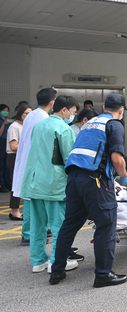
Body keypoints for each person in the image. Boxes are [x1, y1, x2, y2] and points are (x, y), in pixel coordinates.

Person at [50, 94, 127, 287]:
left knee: (69, 225)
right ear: (121, 111)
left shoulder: (89, 123)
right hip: (95, 181)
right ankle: (103, 275)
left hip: (74, 178)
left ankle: (57, 271)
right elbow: (117, 159)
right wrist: (124, 176)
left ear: (104, 107)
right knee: (106, 225)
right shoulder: (114, 124)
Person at [21, 96, 80, 273]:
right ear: (64, 110)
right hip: (54, 182)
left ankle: (38, 261)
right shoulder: (64, 128)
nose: (72, 116)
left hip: (34, 180)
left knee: (38, 225)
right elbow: (69, 159)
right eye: (73, 112)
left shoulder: (39, 125)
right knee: (58, 225)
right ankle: (56, 261)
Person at [13, 88, 57, 246]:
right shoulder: (44, 118)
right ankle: (29, 233)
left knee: (32, 198)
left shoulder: (32, 114)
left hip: (28, 161)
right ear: (52, 102)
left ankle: (35, 230)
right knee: (33, 199)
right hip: (36, 163)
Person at [6, 104, 32, 220]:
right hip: (14, 157)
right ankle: (14, 211)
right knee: (16, 183)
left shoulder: (27, 126)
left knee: (22, 183)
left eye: (30, 113)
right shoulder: (14, 126)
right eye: (26, 113)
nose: (28, 116)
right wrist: (28, 145)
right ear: (20, 113)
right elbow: (13, 146)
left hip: (23, 156)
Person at [0, 104, 11, 192]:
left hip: (7, 142)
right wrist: (3, 124)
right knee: (1, 164)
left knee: (6, 165)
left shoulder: (8, 121)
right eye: (4, 110)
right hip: (1, 142)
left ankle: (7, 183)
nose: (5, 112)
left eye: (7, 110)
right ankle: (1, 184)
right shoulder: (2, 121)